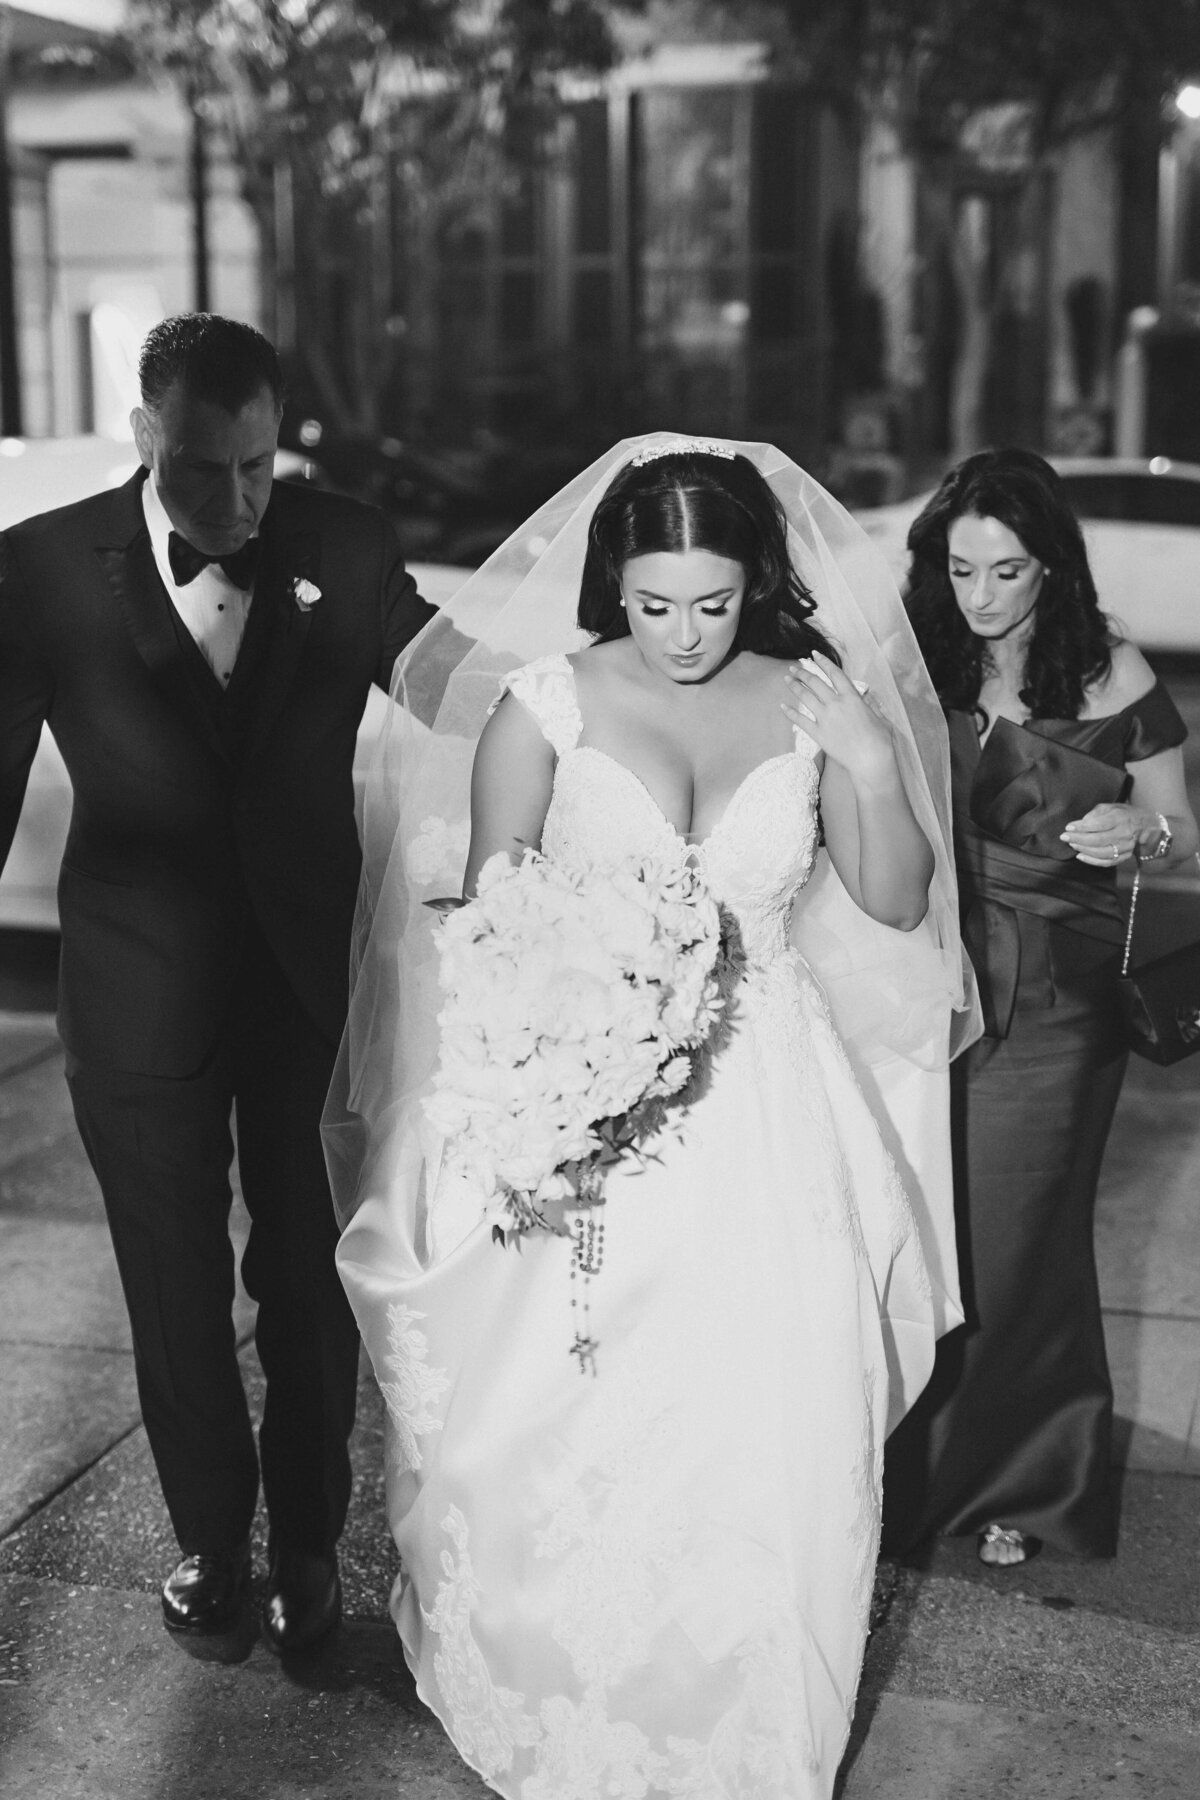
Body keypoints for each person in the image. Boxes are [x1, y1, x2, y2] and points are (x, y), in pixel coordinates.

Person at [325, 434, 977, 1797]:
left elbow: (899, 900)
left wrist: (862, 761)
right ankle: (573, 1689)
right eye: (656, 603)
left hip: (768, 1111)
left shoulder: (813, 700)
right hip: (589, 1107)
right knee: (579, 1409)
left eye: (716, 604)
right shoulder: (547, 706)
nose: (685, 635)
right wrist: (546, 1082)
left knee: (771, 1415)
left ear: (759, 587)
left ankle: (757, 1724)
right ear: (612, 581)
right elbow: (492, 919)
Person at [0, 313, 435, 1648]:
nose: (240, 499)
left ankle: (310, 1553)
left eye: (259, 468)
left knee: (308, 1281)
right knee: (172, 1284)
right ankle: (211, 1547)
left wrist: (628, 704)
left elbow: (444, 674)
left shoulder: (346, 544)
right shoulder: (36, 568)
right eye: (205, 470)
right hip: (137, 995)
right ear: (147, 436)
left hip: (307, 987)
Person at [883, 447, 1199, 1568]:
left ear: (1051, 567)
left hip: (1060, 1001)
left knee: (1022, 1241)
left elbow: (1182, 825)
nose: (981, 598)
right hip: (919, 978)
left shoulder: (1106, 670)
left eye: (1006, 572)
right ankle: (898, 1470)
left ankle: (1020, 1477)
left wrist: (1141, 837)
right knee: (915, 1232)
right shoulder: (912, 656)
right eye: (961, 570)